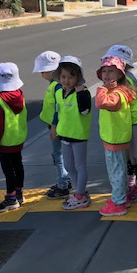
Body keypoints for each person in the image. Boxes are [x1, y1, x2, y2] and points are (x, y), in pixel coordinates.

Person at [102, 45, 137, 202]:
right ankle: (131, 185)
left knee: (136, 158)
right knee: (130, 158)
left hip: (134, 122)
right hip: (126, 123)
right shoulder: (125, 77)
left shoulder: (126, 79)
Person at [95, 56, 136, 217]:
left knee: (116, 172)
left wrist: (102, 89)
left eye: (111, 71)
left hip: (115, 140)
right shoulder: (118, 91)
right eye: (104, 71)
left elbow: (100, 103)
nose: (106, 75)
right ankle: (121, 198)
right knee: (118, 170)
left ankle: (118, 203)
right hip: (115, 138)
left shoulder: (116, 94)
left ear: (119, 74)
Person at [54, 56, 92, 210]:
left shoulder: (83, 93)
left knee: (80, 166)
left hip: (78, 136)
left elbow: (85, 111)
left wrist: (81, 94)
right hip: (64, 135)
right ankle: (79, 192)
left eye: (71, 77)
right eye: (63, 77)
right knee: (69, 166)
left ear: (78, 77)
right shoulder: (59, 93)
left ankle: (80, 195)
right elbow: (58, 112)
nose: (66, 80)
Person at [33, 50, 72, 199]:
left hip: (57, 126)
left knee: (58, 154)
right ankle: (65, 181)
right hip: (57, 125)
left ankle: (63, 184)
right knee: (61, 154)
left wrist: (54, 127)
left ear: (50, 70)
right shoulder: (56, 84)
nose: (41, 74)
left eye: (42, 71)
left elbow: (58, 108)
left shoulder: (56, 86)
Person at [0, 62, 27, 212]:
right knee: (18, 165)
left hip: (5, 142)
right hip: (18, 138)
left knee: (8, 170)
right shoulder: (20, 95)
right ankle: (19, 193)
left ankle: (11, 199)